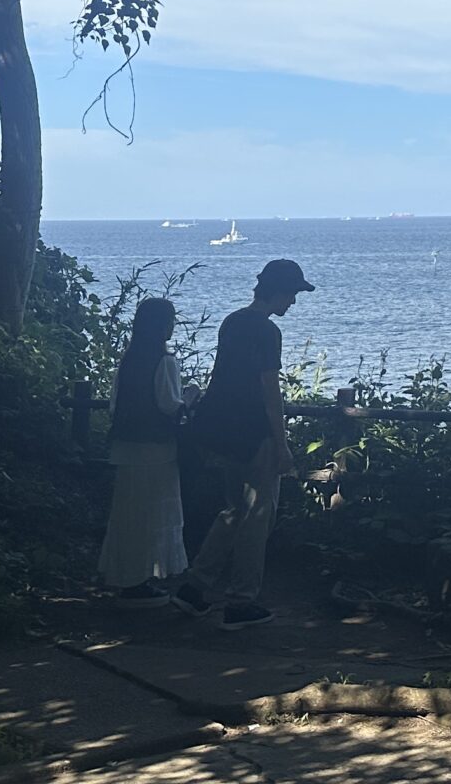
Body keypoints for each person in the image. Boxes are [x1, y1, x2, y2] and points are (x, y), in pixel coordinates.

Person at [172, 258, 312, 629]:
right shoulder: (268, 333)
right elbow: (270, 390)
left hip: (222, 430)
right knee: (257, 517)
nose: (293, 303)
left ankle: (196, 585)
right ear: (279, 292)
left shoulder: (232, 321)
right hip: (254, 432)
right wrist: (281, 443)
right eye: (292, 294)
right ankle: (241, 599)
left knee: (234, 509)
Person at [98, 296, 187, 604]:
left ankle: (125, 574)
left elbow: (113, 405)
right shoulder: (165, 361)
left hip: (127, 449)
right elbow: (169, 406)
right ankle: (142, 577)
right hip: (156, 451)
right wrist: (192, 398)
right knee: (152, 514)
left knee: (128, 514)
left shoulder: (129, 359)